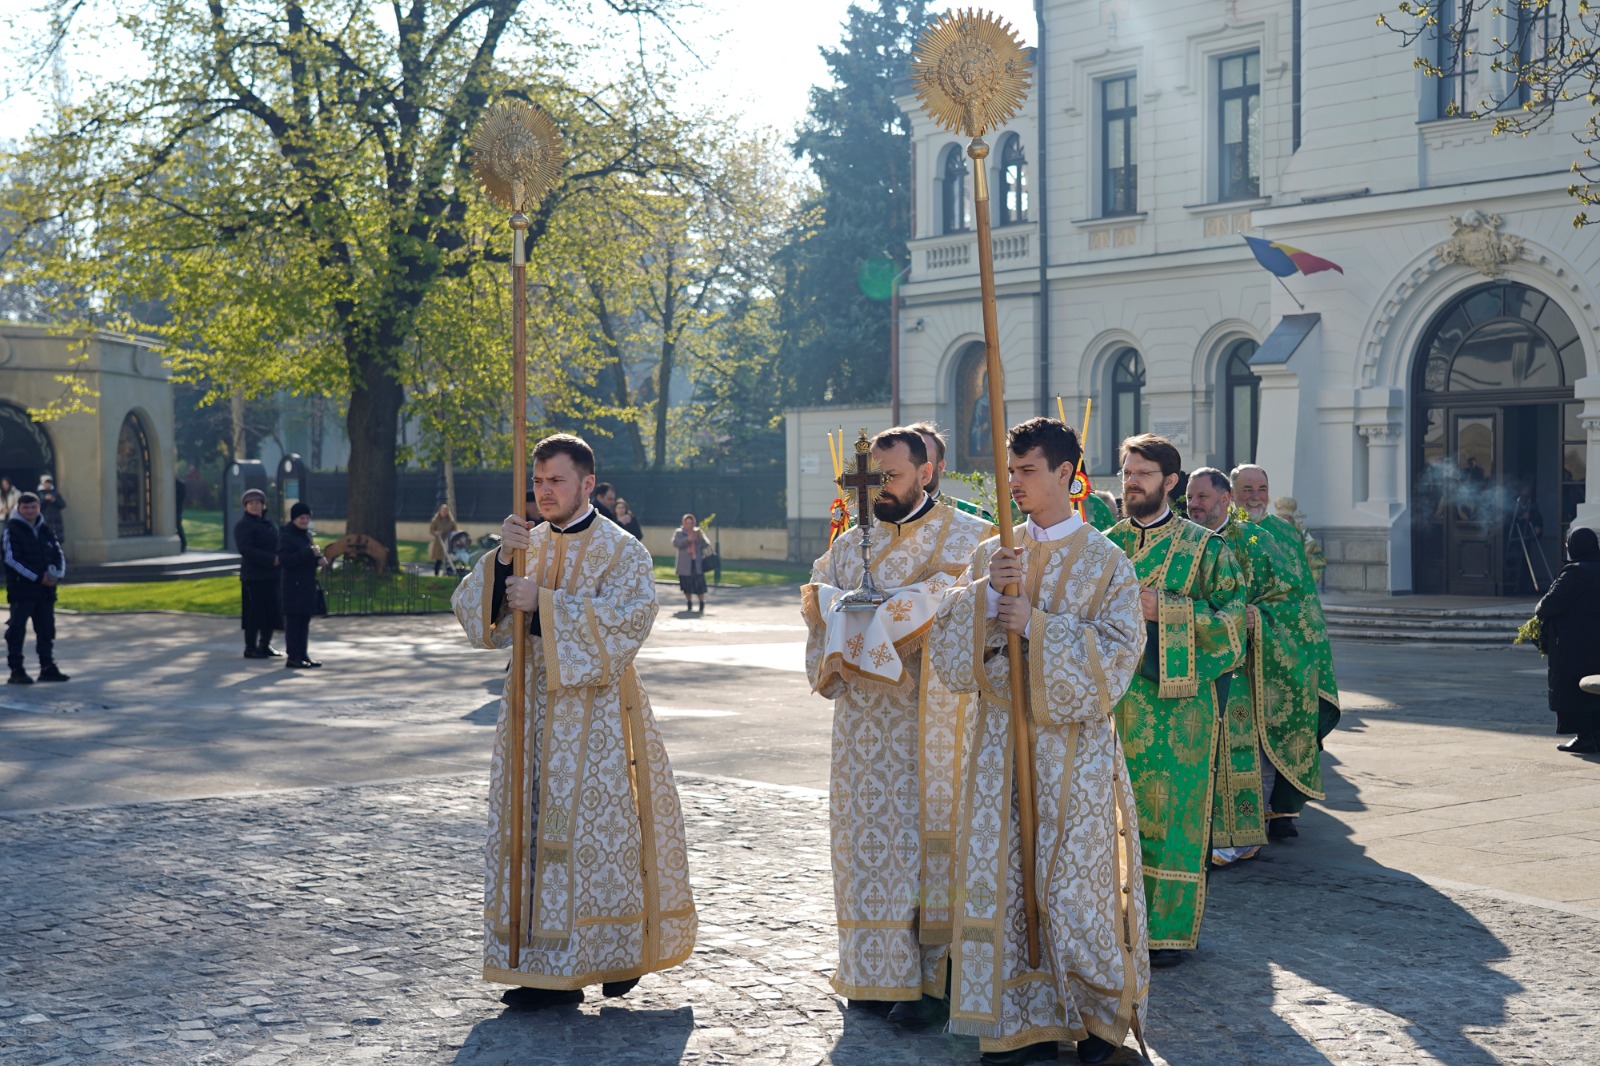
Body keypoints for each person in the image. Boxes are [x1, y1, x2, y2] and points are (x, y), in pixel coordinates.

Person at [928, 418, 1148, 1066]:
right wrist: (983, 598)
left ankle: (1098, 1020)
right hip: (998, 743)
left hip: (1073, 751)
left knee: (1073, 889)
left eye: (1026, 471)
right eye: (1009, 471)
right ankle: (1018, 1023)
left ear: (1065, 474)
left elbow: (1119, 658)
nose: (1014, 484)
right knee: (1001, 885)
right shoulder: (992, 553)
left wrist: (1037, 626)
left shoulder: (1107, 562)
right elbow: (950, 654)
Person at [451, 432, 696, 1009]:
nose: (544, 491)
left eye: (556, 480)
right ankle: (541, 969)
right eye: (538, 481)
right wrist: (502, 561)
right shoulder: (525, 543)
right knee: (530, 833)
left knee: (596, 837)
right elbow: (477, 621)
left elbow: (630, 622)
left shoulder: (623, 550)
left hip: (597, 719)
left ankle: (614, 953)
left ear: (587, 483)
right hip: (528, 713)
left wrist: (544, 606)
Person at [801, 427, 991, 1030]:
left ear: (926, 473)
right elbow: (818, 601)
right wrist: (841, 611)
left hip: (934, 726)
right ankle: (871, 971)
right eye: (869, 478)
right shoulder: (848, 545)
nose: (875, 490)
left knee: (928, 848)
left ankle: (929, 982)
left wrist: (885, 616)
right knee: (864, 847)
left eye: (890, 477)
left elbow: (970, 611)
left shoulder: (971, 536)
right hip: (861, 731)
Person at [1105, 435, 1245, 969]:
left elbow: (1233, 627)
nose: (1131, 482)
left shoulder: (1206, 549)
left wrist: (1163, 609)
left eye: (1143, 473)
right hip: (1112, 703)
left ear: (1170, 482)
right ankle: (1110, 925)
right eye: (1127, 472)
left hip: (1178, 708)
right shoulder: (1105, 545)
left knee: (1170, 817)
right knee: (1109, 816)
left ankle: (1165, 932)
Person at [1185, 469, 1315, 867]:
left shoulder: (1256, 540)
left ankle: (1239, 838)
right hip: (1190, 664)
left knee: (1238, 754)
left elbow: (1293, 601)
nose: (1194, 505)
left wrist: (1262, 616)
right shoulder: (1182, 540)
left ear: (1226, 499)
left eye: (1202, 497)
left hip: (1242, 668)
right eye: (1190, 497)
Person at [1232, 464, 1342, 837]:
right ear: (1232, 493)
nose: (1255, 496)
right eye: (1247, 489)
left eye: (1261, 488)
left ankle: (1282, 810)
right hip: (1243, 651)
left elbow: (1301, 595)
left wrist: (1292, 632)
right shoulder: (1225, 532)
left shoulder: (1285, 532)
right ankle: (1250, 814)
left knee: (1294, 725)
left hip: (1289, 647)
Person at [1535, 527, 1600, 753]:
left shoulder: (1574, 572)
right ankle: (1596, 735)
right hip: (1596, 643)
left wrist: (1539, 608)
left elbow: (1548, 605)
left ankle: (1585, 737)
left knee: (1574, 690)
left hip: (1575, 645)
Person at [4, 492, 68, 685]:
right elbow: (11, 560)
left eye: (33, 507)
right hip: (22, 591)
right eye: (26, 507)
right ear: (19, 509)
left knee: (46, 629)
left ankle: (47, 667)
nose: (30, 511)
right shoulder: (11, 531)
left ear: (39, 507)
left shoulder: (46, 530)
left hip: (45, 592)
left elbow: (58, 554)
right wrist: (38, 578)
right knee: (16, 631)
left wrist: (56, 575)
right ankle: (17, 670)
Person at [278, 501, 325, 669]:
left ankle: (303, 654)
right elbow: (286, 560)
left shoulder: (306, 535)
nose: (304, 521)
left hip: (306, 585)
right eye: (301, 518)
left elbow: (306, 559)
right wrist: (308, 553)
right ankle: (293, 656)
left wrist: (317, 560)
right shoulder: (287, 536)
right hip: (293, 586)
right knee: (294, 622)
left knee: (304, 621)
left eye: (307, 518)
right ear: (294, 519)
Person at [234, 488, 281, 659]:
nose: (255, 506)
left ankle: (265, 644)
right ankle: (250, 647)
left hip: (271, 575)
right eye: (251, 503)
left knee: (270, 611)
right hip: (253, 576)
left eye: (258, 503)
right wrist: (270, 559)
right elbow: (245, 549)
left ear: (263, 505)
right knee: (254, 613)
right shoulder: (243, 525)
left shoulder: (267, 523)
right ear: (245, 506)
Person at [672, 514, 711, 614]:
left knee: (700, 585)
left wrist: (700, 537)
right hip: (685, 564)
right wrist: (688, 539)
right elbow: (676, 543)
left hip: (696, 563)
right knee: (687, 585)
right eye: (687, 522)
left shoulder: (697, 532)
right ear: (683, 523)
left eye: (691, 522)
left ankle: (702, 603)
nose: (689, 524)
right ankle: (689, 603)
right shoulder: (679, 532)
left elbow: (706, 544)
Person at [428, 504, 457, 577]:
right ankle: (436, 574)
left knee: (448, 558)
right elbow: (431, 530)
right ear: (440, 511)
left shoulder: (451, 521)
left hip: (448, 541)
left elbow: (454, 530)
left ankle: (448, 573)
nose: (444, 512)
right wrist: (436, 532)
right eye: (443, 511)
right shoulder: (436, 520)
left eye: (445, 511)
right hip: (439, 542)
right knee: (439, 559)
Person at [36, 475, 65, 544]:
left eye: (49, 482)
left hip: (56, 521)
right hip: (45, 519)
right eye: (46, 482)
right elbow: (37, 505)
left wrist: (54, 500)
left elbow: (62, 504)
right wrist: (44, 499)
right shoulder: (39, 493)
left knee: (57, 541)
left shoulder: (55, 493)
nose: (47, 484)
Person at [175, 476, 188, 552]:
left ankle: (183, 544)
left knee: (178, 525)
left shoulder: (180, 484)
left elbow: (181, 497)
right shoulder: (179, 484)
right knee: (178, 526)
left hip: (177, 508)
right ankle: (182, 544)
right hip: (176, 508)